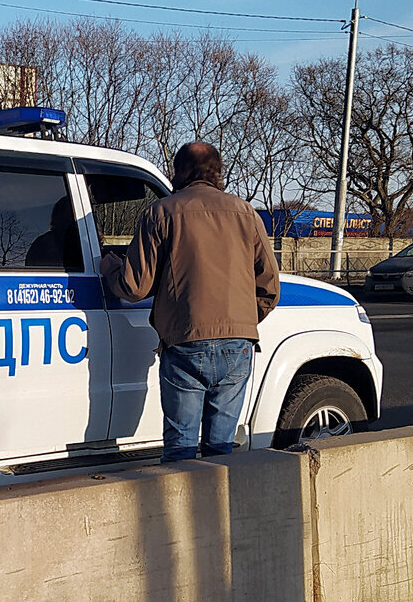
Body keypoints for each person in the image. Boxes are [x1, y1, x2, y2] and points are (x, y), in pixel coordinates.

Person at [99, 142, 280, 463]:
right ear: (217, 171)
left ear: (179, 171)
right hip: (238, 345)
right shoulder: (246, 213)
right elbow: (269, 288)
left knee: (181, 446)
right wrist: (239, 323)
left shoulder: (160, 212)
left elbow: (133, 286)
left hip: (185, 342)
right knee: (222, 449)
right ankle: (216, 511)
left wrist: (111, 265)